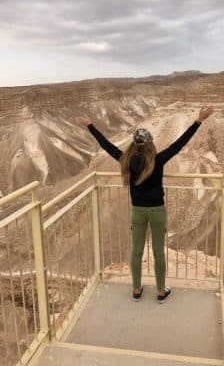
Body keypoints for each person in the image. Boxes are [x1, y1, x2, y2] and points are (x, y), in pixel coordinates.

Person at [76, 106, 214, 303]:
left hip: (137, 212)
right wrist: (198, 121)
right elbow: (179, 144)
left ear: (134, 144)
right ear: (150, 144)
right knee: (158, 252)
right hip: (157, 211)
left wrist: (90, 126)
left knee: (136, 251)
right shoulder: (158, 160)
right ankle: (160, 292)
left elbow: (106, 145)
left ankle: (136, 290)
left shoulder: (126, 160)